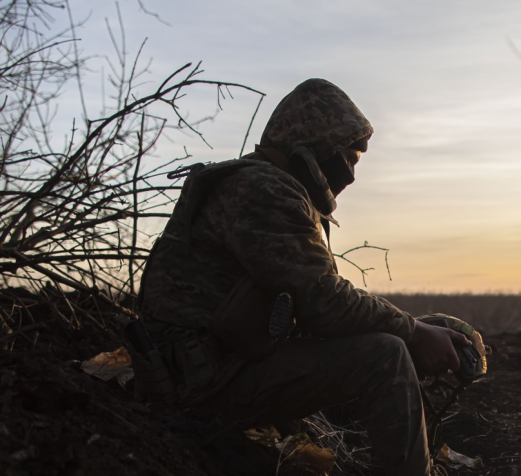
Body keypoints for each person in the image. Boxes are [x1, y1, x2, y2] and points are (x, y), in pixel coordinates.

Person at [134, 79, 465, 476]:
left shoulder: (260, 184)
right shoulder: (265, 189)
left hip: (207, 368)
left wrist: (411, 329)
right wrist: (411, 332)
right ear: (317, 147)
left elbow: (304, 304)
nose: (352, 175)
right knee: (384, 357)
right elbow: (324, 301)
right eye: (350, 158)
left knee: (378, 344)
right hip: (205, 385)